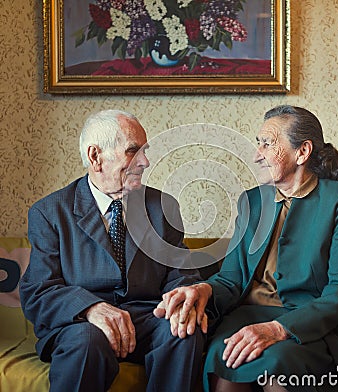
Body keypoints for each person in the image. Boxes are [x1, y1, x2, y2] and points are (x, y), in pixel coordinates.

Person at [159, 105, 338, 392]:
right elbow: (231, 280)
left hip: (310, 324)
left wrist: (278, 329)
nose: (256, 154)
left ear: (302, 152)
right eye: (258, 142)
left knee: (278, 366)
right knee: (226, 360)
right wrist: (204, 289)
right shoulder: (251, 201)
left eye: (267, 143)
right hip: (247, 318)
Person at [19, 109, 206, 392]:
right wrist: (90, 308)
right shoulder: (50, 212)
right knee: (86, 342)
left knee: (182, 332)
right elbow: (38, 291)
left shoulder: (161, 207)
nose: (145, 162)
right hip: (80, 325)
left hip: (145, 318)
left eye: (145, 151)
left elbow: (180, 272)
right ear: (96, 157)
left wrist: (182, 295)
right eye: (134, 151)